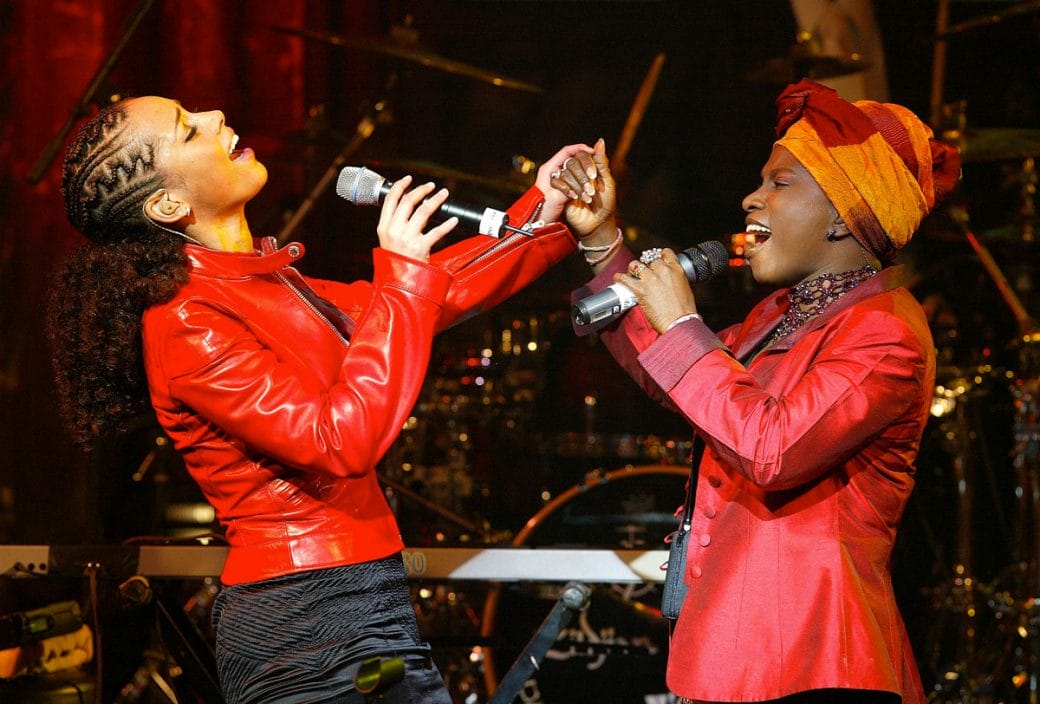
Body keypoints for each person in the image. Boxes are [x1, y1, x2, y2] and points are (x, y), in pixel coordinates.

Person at [47, 95, 586, 704]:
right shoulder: (185, 322)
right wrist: (405, 278)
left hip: (351, 601)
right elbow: (338, 440)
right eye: (188, 129)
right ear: (169, 203)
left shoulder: (260, 282)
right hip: (306, 619)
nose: (216, 118)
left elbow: (426, 297)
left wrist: (545, 212)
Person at [550, 79, 960, 703]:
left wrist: (684, 326)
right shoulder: (776, 316)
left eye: (780, 183)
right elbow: (680, 377)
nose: (751, 198)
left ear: (844, 217)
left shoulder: (886, 333)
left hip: (816, 662)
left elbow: (772, 446)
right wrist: (602, 242)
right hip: (732, 658)